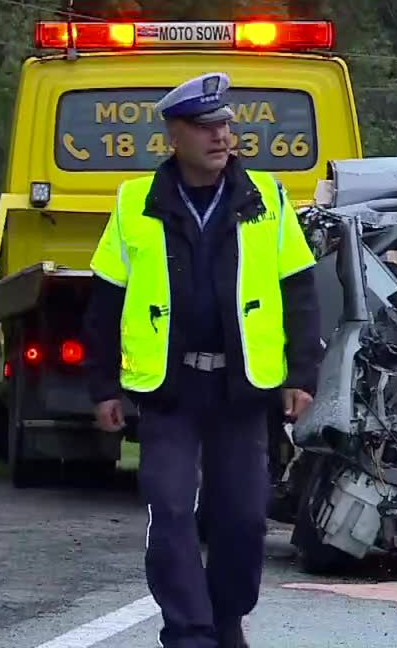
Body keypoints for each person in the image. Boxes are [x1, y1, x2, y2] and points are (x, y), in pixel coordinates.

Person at [82, 72, 322, 648]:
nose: (221, 136)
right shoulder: (135, 202)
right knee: (169, 512)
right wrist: (103, 387)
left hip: (242, 388)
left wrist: (301, 375)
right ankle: (189, 633)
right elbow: (104, 301)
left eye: (225, 125)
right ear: (174, 135)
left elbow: (300, 291)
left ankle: (226, 617)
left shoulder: (267, 196)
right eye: (206, 126)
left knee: (241, 519)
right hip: (169, 387)